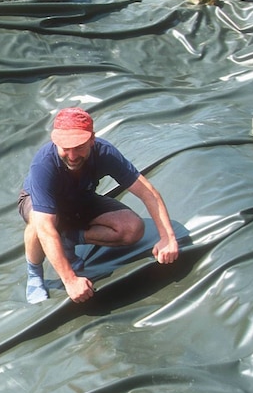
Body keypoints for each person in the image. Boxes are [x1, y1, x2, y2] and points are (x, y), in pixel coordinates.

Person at [19, 107, 179, 304]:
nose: (72, 156)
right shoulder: (43, 165)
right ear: (55, 142)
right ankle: (34, 273)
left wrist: (168, 238)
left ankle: (68, 238)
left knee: (133, 229)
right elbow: (45, 227)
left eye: (79, 147)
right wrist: (70, 280)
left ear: (92, 139)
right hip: (40, 203)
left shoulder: (105, 153)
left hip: (80, 198)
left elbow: (148, 193)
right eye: (65, 148)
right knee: (37, 222)